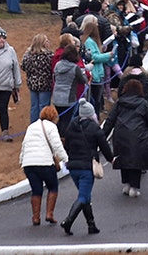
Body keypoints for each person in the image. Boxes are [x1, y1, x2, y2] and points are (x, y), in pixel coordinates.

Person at [101, 79, 148, 197]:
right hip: (139, 134)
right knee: (136, 160)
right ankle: (134, 187)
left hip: (120, 134)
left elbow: (110, 120)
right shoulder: (143, 103)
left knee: (123, 158)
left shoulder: (119, 103)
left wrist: (101, 136)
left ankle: (126, 184)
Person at [59, 100, 114, 236]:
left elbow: (67, 146)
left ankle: (91, 225)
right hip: (87, 167)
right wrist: (111, 159)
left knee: (86, 196)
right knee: (83, 197)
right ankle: (68, 221)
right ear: (91, 114)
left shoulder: (71, 126)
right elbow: (104, 146)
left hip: (73, 167)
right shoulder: (94, 128)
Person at [19, 105, 68, 225]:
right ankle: (49, 213)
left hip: (29, 163)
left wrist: (22, 161)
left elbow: (24, 145)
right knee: (53, 187)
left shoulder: (31, 126)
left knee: (36, 190)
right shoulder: (51, 127)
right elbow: (57, 145)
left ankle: (36, 217)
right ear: (54, 116)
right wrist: (66, 159)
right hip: (45, 162)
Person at [80, 15, 114, 118]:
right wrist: (107, 55)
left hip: (97, 72)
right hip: (95, 74)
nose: (98, 25)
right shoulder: (89, 41)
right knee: (95, 99)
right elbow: (94, 57)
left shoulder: (89, 40)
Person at [51, 43, 88, 135]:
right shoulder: (75, 68)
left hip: (56, 97)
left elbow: (54, 78)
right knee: (66, 121)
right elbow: (82, 81)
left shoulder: (58, 65)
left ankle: (57, 137)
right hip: (69, 98)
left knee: (61, 119)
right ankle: (63, 139)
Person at [20, 33, 54, 123]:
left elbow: (23, 66)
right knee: (44, 107)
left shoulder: (27, 55)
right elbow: (53, 68)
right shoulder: (48, 56)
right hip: (45, 85)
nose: (48, 42)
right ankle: (43, 126)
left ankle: (33, 126)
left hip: (32, 84)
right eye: (46, 40)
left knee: (34, 107)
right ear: (42, 43)